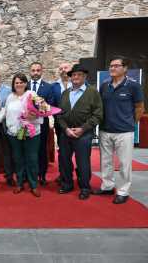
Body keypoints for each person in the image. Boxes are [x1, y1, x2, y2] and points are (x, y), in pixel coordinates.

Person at [93, 56, 144, 204]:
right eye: (111, 66)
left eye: (116, 66)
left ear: (125, 68)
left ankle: (123, 191)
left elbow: (140, 107)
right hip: (105, 130)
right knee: (105, 162)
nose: (112, 68)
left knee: (124, 163)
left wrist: (130, 122)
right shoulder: (104, 85)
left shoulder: (133, 86)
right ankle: (108, 186)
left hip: (124, 132)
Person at [57, 64, 103, 200]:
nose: (75, 77)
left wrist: (83, 128)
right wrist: (65, 129)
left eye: (79, 75)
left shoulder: (92, 92)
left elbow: (98, 115)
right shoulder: (65, 93)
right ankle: (67, 184)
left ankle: (84, 187)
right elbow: (60, 114)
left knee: (82, 161)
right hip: (66, 132)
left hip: (84, 133)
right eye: (73, 75)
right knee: (64, 160)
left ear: (85, 76)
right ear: (70, 77)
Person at [5, 73, 43, 197]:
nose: (19, 84)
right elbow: (5, 113)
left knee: (32, 159)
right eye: (16, 82)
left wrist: (33, 116)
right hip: (14, 134)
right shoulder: (10, 97)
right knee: (18, 159)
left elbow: (42, 111)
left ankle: (34, 185)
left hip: (31, 133)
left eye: (21, 82)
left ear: (26, 83)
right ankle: (20, 183)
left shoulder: (32, 95)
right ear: (13, 84)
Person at [28, 62, 53, 186]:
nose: (35, 72)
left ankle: (42, 175)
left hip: (42, 124)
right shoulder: (24, 85)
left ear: (41, 71)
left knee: (41, 149)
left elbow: (52, 105)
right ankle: (29, 174)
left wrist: (44, 107)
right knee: (28, 150)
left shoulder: (48, 87)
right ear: (30, 72)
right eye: (33, 70)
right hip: (26, 123)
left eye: (38, 70)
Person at [51, 63, 73, 184]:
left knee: (80, 153)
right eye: (60, 68)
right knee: (63, 152)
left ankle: (80, 175)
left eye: (65, 68)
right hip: (60, 125)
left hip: (77, 124)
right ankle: (63, 175)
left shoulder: (79, 84)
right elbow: (52, 104)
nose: (63, 70)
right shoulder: (54, 86)